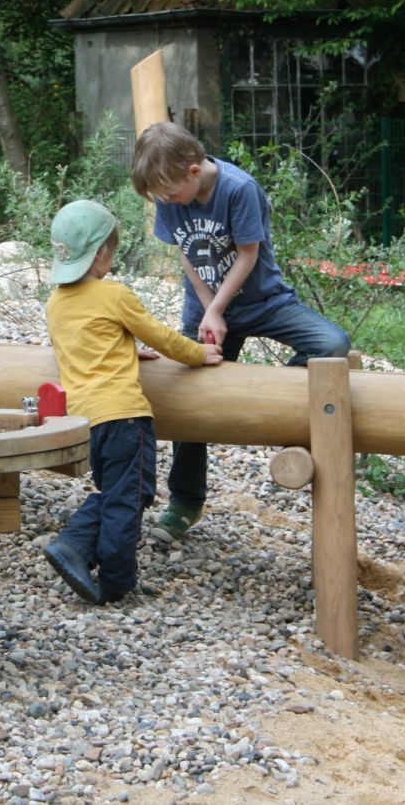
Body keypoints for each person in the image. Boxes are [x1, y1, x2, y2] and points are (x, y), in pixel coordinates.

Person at [131, 121, 351, 543]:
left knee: (332, 344)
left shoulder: (239, 188)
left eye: (171, 194)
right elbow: (186, 254)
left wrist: (219, 306)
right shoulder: (169, 190)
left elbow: (248, 256)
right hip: (207, 312)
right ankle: (185, 501)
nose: (166, 201)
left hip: (264, 302)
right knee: (189, 395)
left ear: (194, 171)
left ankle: (286, 414)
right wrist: (206, 310)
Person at [43, 199, 223, 605]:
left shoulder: (55, 304)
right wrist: (199, 354)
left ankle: (75, 546)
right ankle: (113, 581)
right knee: (133, 496)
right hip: (125, 416)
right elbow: (161, 336)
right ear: (101, 253)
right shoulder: (114, 295)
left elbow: (78, 345)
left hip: (84, 420)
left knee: (115, 491)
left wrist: (123, 348)